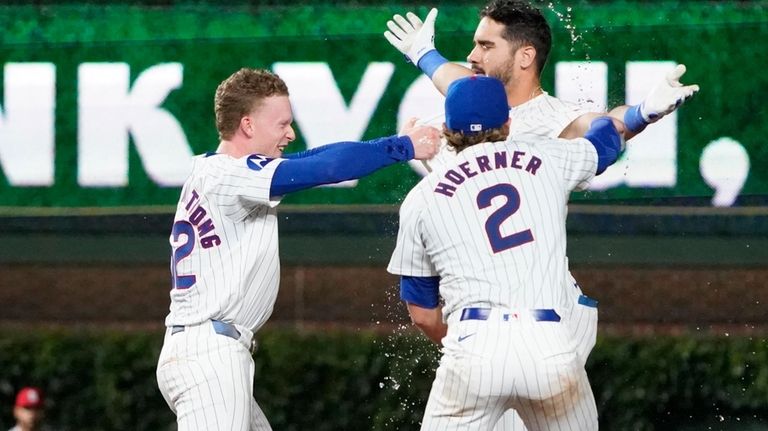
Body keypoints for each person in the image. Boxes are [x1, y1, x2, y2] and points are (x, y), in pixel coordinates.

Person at [384, 4, 698, 428]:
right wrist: (426, 55)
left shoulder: (555, 120)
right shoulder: (494, 114)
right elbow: (607, 139)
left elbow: (608, 123)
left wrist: (644, 111)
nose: (472, 56)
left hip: (541, 307)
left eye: (484, 45)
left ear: (525, 57)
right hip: (527, 326)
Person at [155, 67, 440, 431]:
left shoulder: (215, 172)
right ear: (247, 125)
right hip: (209, 355)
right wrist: (405, 147)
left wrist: (393, 141)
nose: (290, 133)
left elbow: (310, 160)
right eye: (282, 124)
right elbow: (327, 168)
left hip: (203, 350)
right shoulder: (229, 175)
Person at [388, 75, 625, 429]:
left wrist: (462, 342)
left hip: (474, 344)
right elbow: (606, 142)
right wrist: (635, 114)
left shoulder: (421, 197)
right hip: (549, 344)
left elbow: (422, 313)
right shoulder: (545, 157)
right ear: (508, 123)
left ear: (448, 130)